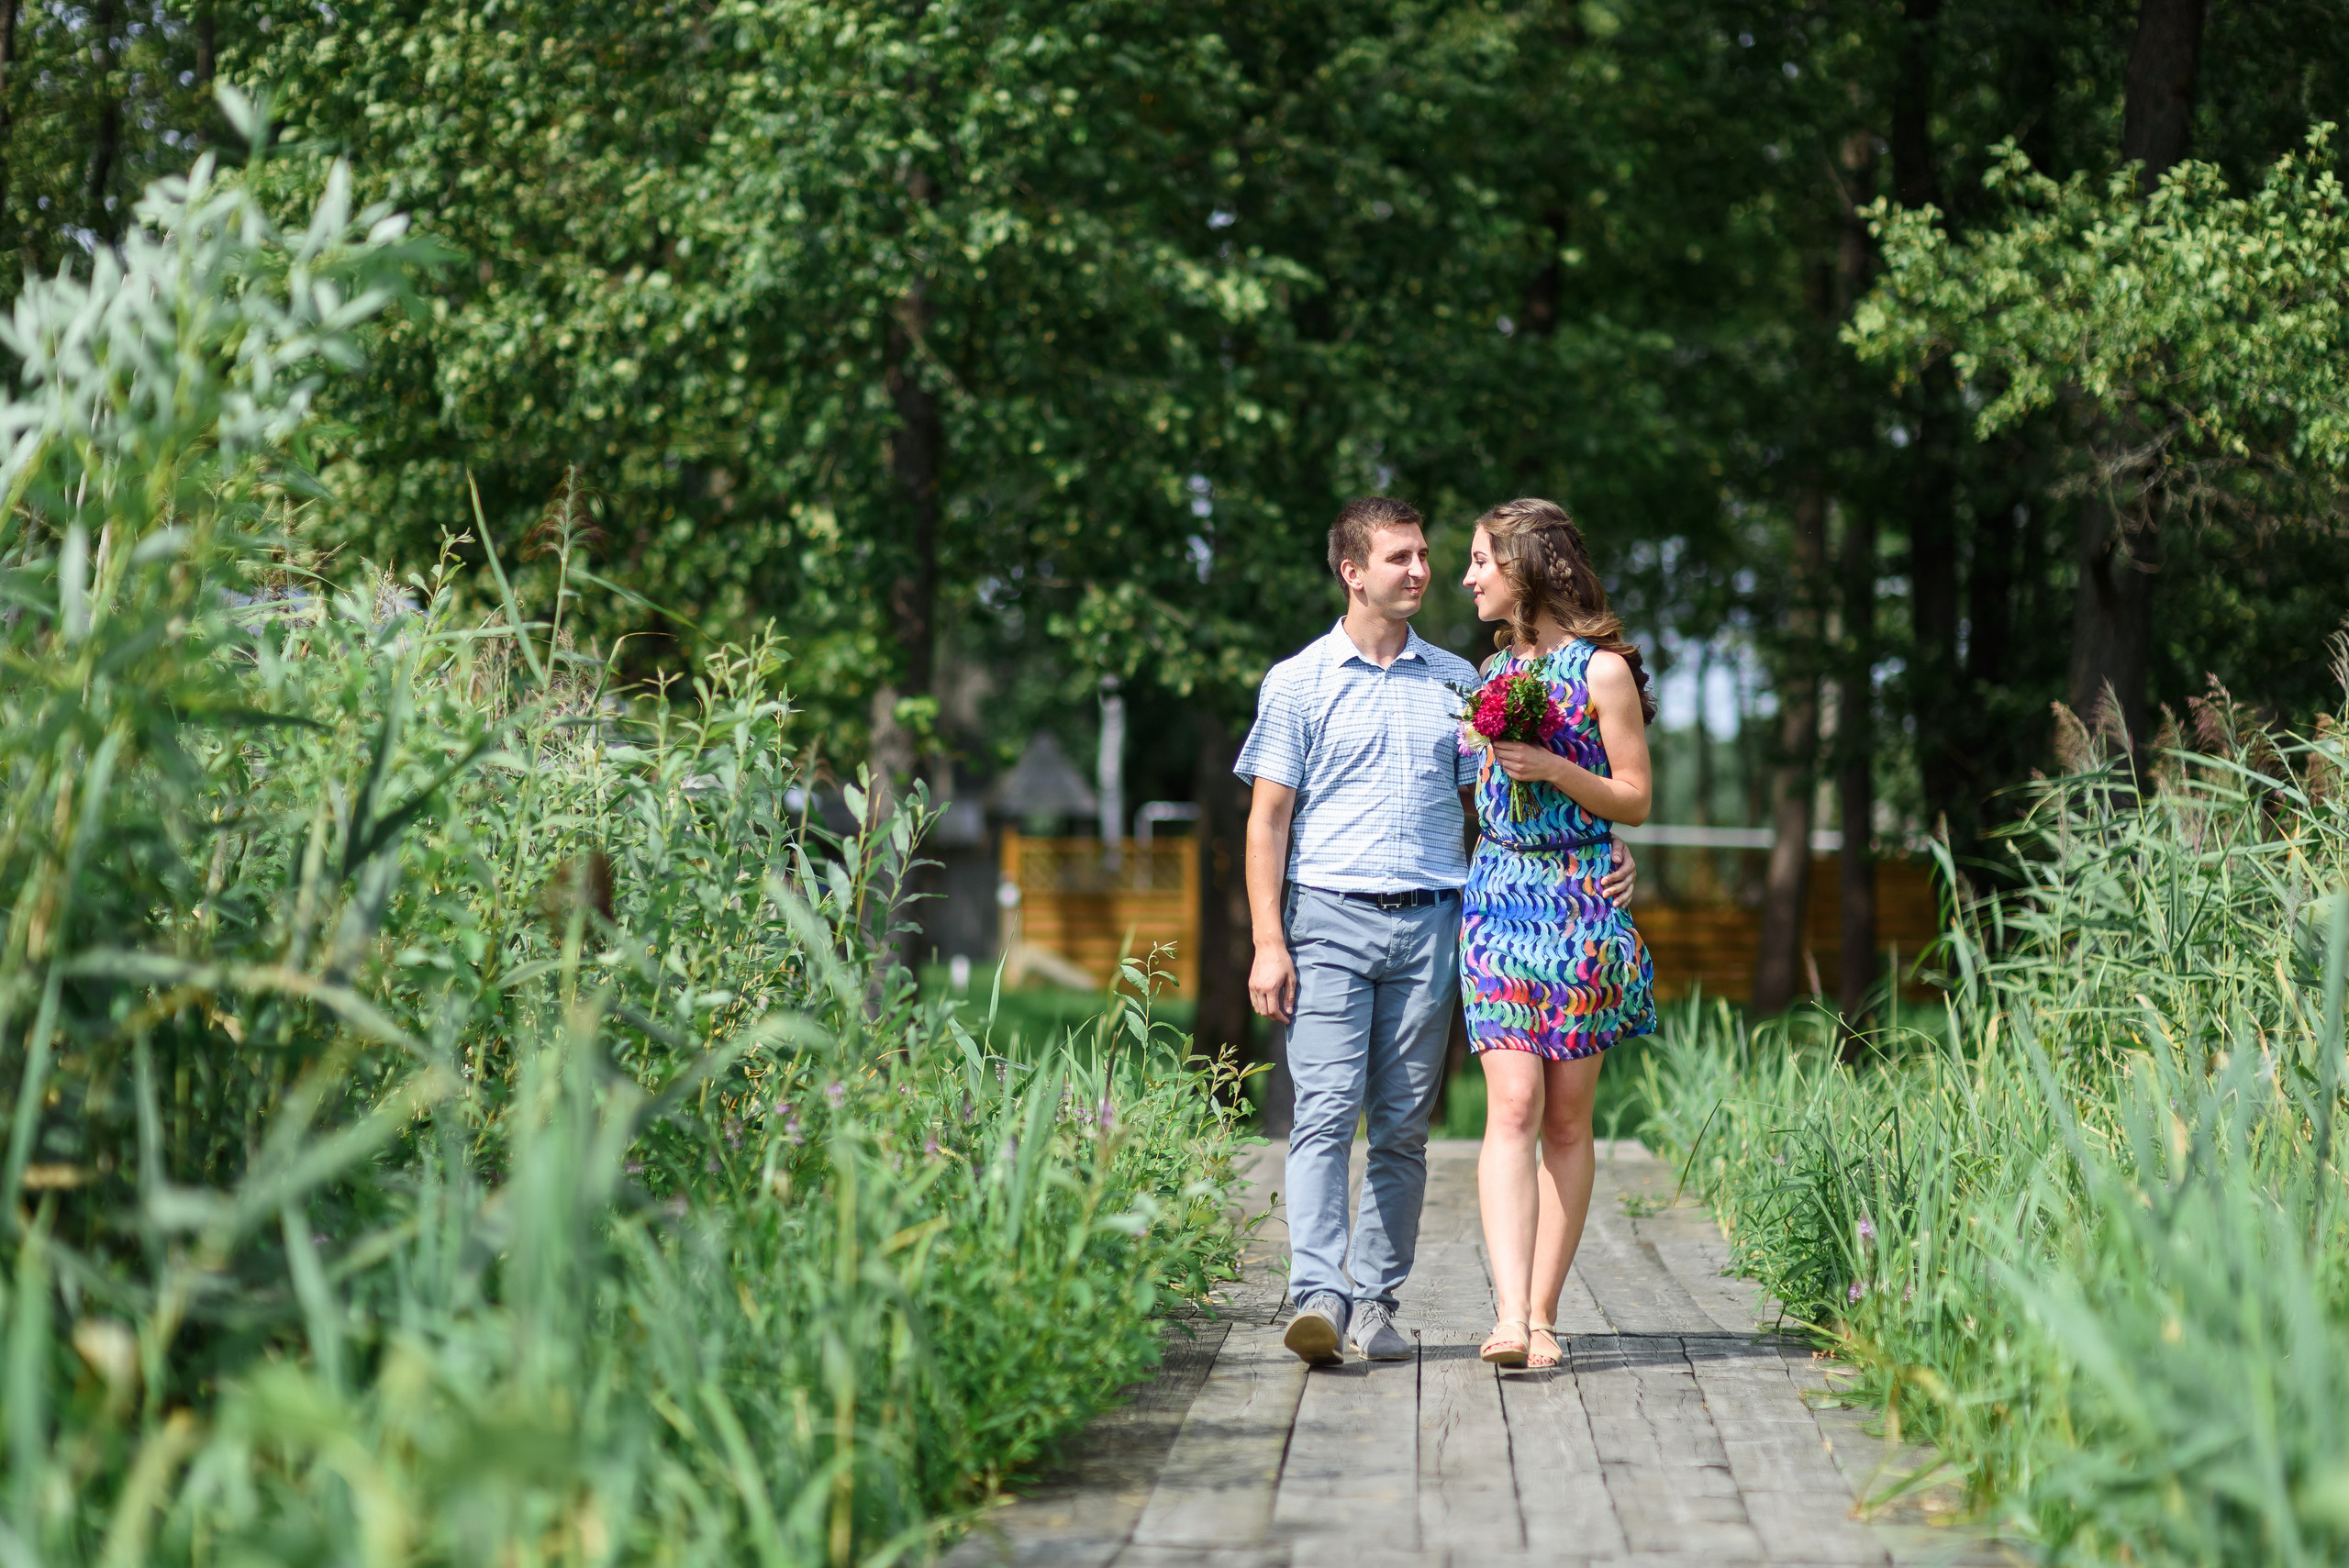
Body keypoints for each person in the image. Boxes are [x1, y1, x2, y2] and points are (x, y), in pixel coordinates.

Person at [1235, 495, 1634, 1367]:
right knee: (1325, 1111)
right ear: (1352, 572)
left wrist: (1604, 854)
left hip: (1435, 922)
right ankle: (1318, 1295)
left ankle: (1376, 1301)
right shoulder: (1297, 681)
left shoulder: (1463, 681)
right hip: (1327, 918)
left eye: (1426, 555)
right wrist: (1269, 938)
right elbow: (1267, 819)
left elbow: (1504, 802)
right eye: (1401, 557)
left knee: (1405, 1125)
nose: (1422, 571)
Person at [1456, 496, 1658, 1372]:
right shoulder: (1490, 677)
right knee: (1513, 1105)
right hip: (1498, 894)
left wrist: (1555, 769)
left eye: (1479, 561)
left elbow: (1636, 798)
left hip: (1579, 900)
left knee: (1569, 1123)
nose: (1466, 578)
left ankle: (1542, 1315)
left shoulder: (1601, 672)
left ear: (1526, 567)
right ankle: (1505, 1314)